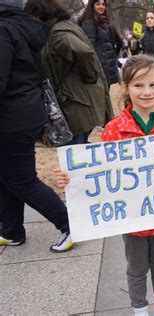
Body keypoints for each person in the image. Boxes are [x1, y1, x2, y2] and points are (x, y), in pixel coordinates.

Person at [56, 54, 154, 316]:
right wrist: (71, 178)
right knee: (136, 267)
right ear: (125, 88)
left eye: (153, 85)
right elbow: (98, 172)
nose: (146, 92)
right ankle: (140, 310)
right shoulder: (113, 130)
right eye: (138, 85)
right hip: (131, 220)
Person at [0, 0, 72, 252]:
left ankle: (69, 225)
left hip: (11, 117)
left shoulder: (3, 30)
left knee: (22, 180)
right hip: (26, 111)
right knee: (6, 177)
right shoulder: (24, 27)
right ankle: (11, 230)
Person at [25, 0, 114, 146]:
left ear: (40, 13)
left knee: (75, 153)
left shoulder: (57, 32)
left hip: (77, 103)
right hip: (80, 100)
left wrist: (90, 76)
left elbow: (83, 51)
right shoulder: (64, 26)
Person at [79, 0, 122, 87]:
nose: (101, 6)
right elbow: (89, 48)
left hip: (105, 67)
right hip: (97, 69)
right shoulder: (89, 23)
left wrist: (112, 57)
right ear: (92, 6)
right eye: (97, 4)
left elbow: (118, 43)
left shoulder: (105, 23)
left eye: (103, 4)